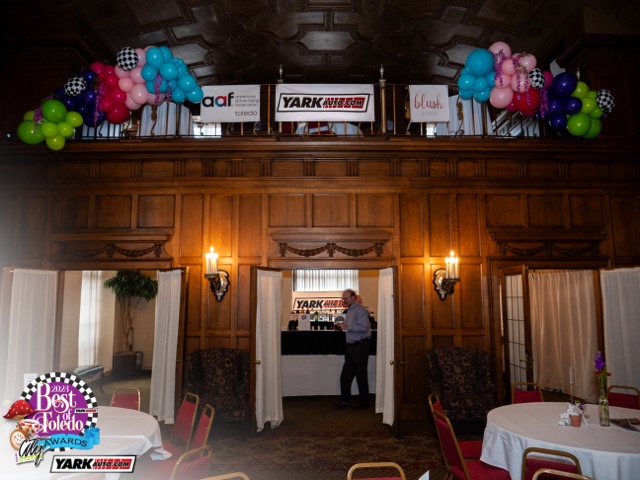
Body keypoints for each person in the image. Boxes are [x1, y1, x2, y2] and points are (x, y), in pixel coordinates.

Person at [336, 289, 371, 409]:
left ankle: (364, 402)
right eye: (343, 298)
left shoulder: (360, 310)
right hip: (351, 347)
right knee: (345, 376)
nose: (344, 301)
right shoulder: (350, 310)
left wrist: (347, 327)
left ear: (353, 297)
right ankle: (345, 401)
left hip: (360, 346)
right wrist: (345, 327)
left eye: (345, 298)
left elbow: (363, 327)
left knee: (361, 375)